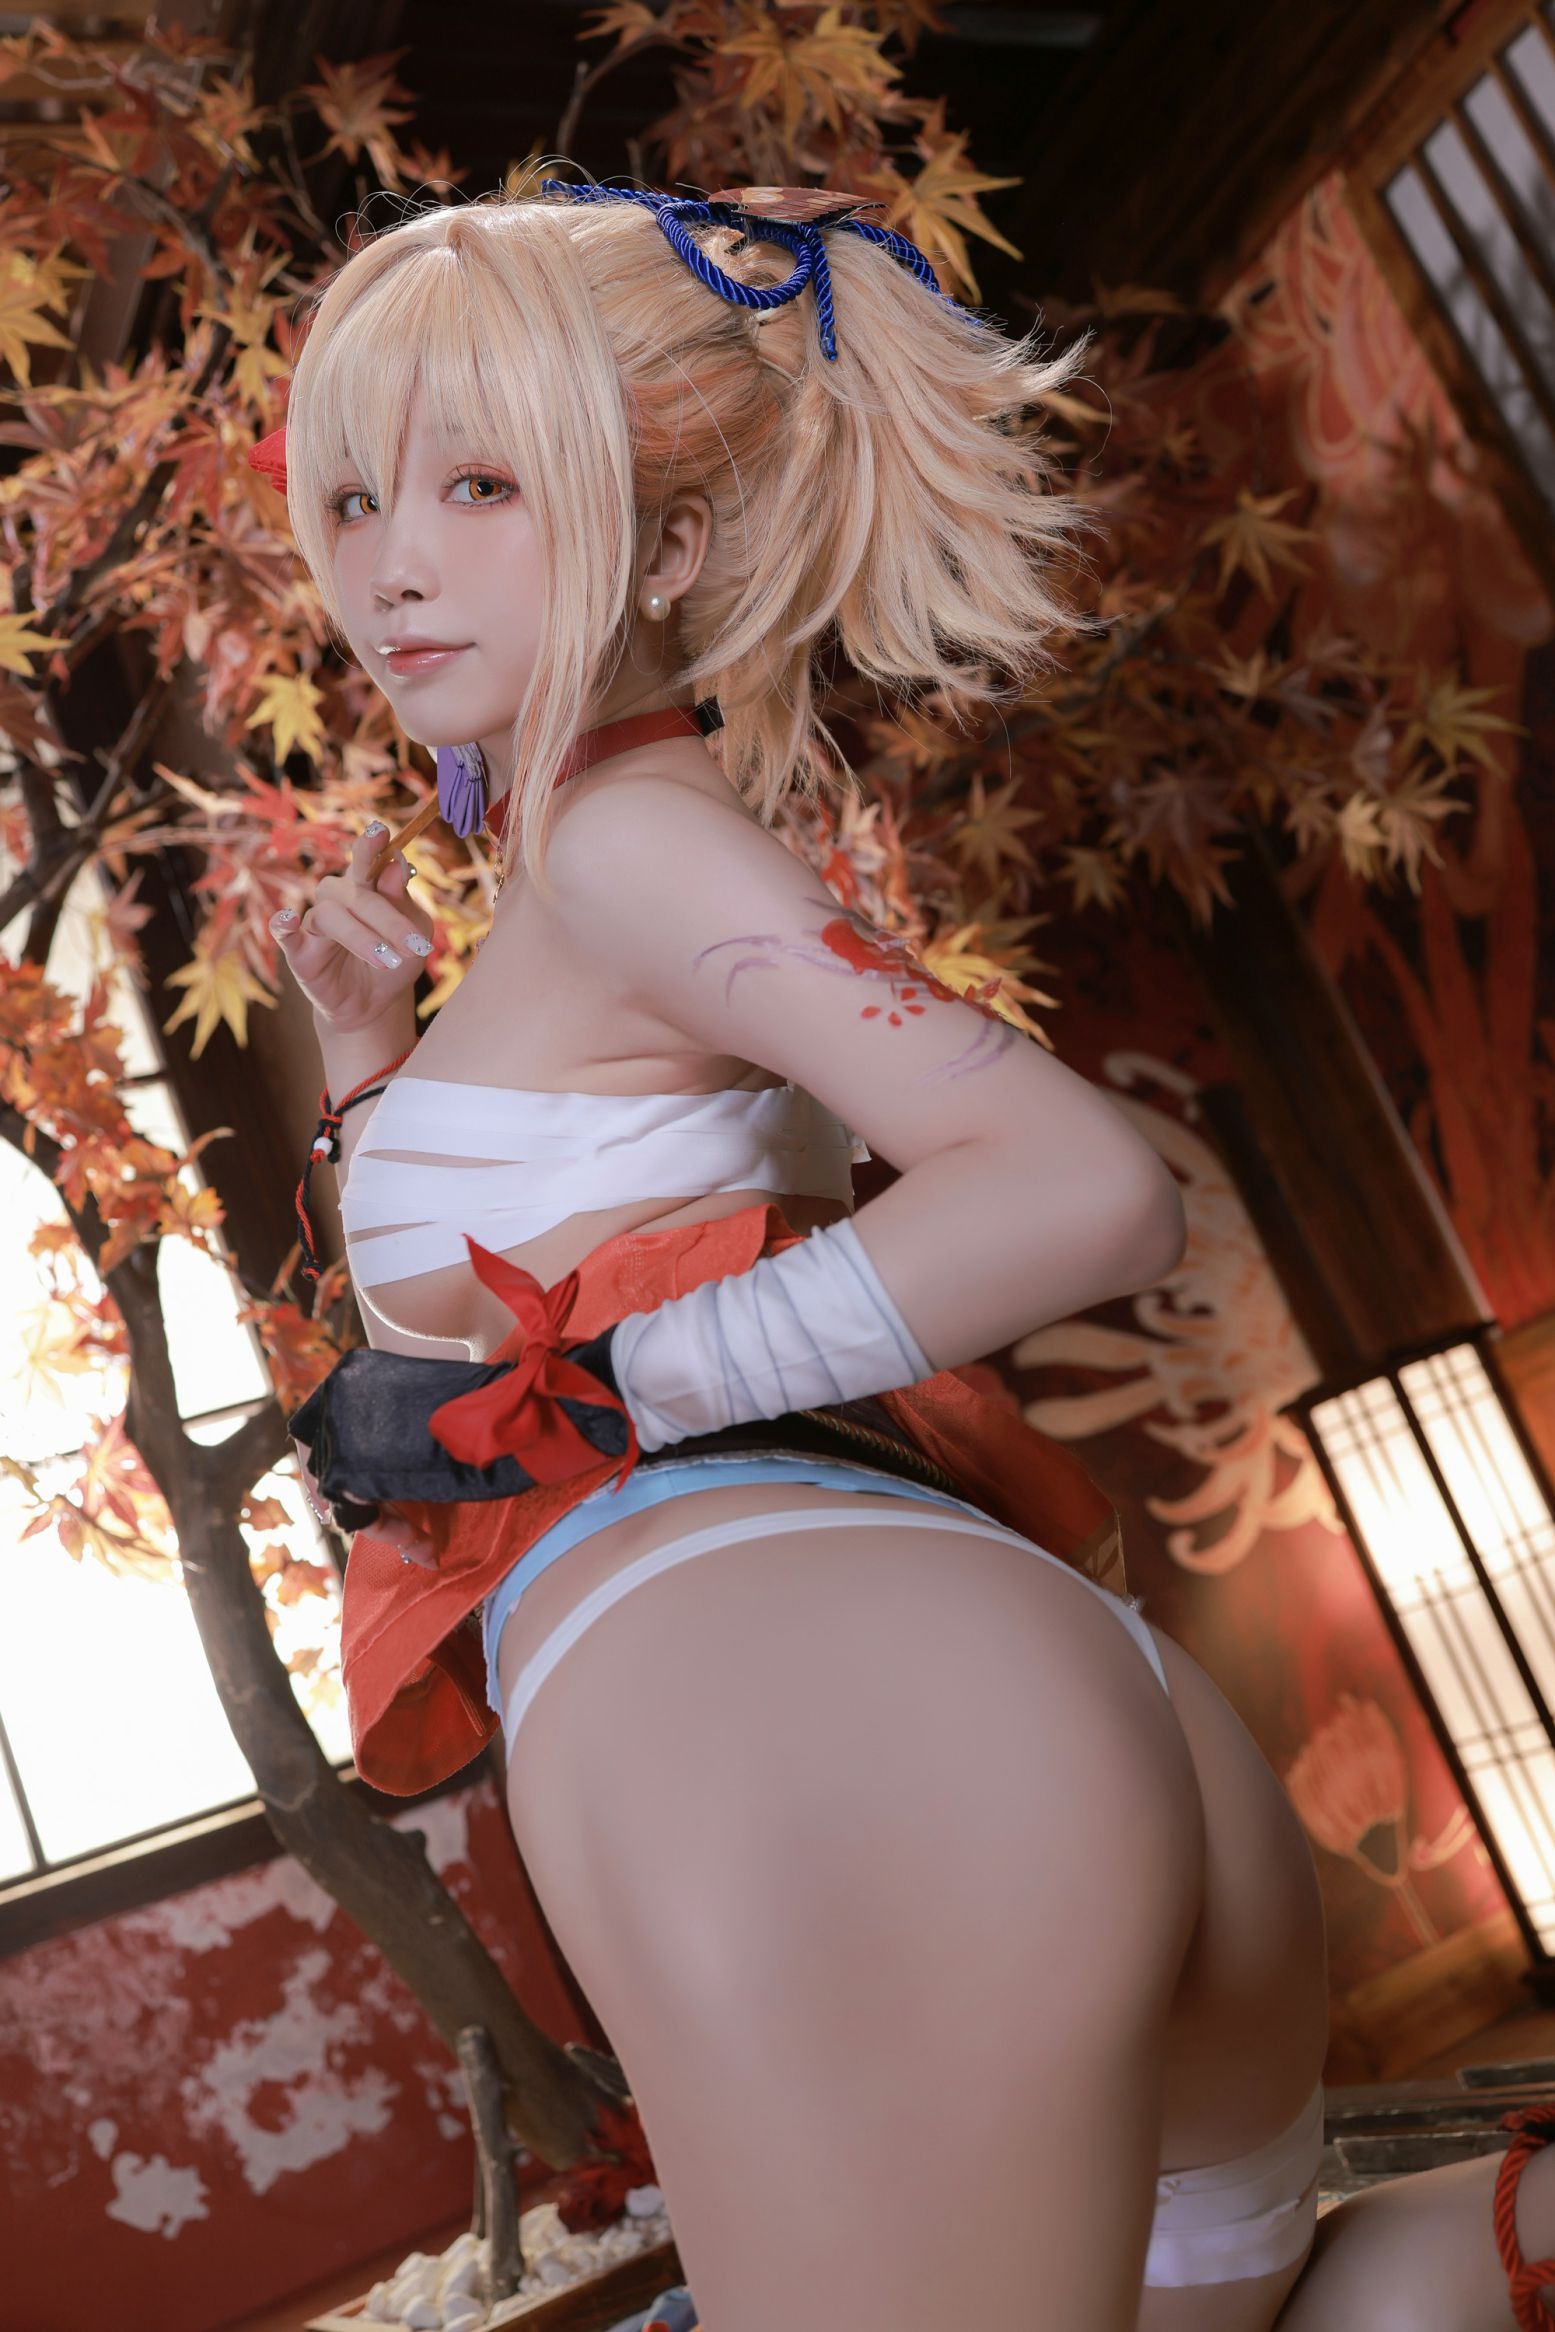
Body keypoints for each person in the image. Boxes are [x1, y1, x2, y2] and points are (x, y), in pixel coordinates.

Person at [266, 180, 1553, 2332]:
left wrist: (635, 1387)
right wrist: (370, 1059)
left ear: (668, 546)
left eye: (479, 485)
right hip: (1012, 1697)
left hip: (793, 1714)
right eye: (354, 499)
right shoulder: (593, 858)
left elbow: (1079, 1184)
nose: (391, 561)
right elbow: (517, 1259)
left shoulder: (629, 850)